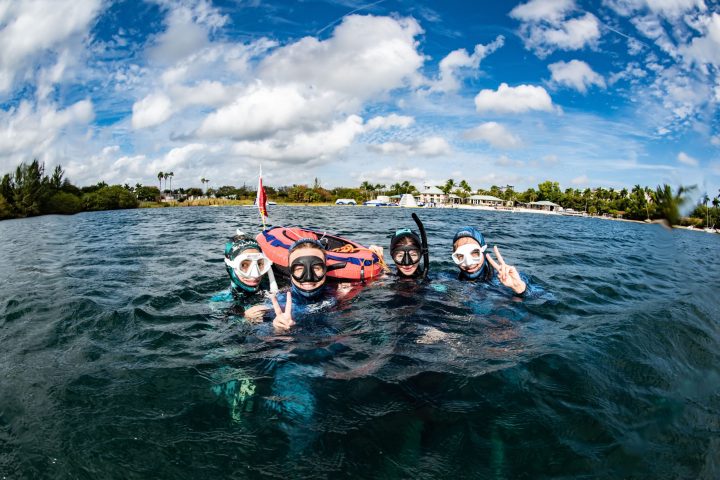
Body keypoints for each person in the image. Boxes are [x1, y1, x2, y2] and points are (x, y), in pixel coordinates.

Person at [270, 237, 350, 331]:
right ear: (290, 272)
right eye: (299, 268)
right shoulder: (279, 303)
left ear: (325, 270)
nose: (308, 277)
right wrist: (277, 330)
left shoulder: (336, 293)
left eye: (316, 268)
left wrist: (342, 298)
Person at [451, 226, 527, 295]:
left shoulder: (511, 278)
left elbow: (537, 297)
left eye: (475, 253)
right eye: (460, 256)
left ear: (483, 251)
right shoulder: (447, 278)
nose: (469, 263)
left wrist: (520, 289)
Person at [222, 231, 277, 321]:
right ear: (230, 267)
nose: (255, 274)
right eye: (244, 265)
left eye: (259, 264)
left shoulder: (275, 290)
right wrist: (243, 318)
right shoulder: (221, 300)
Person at [369, 213, 429, 279]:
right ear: (392, 255)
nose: (407, 263)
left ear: (421, 254)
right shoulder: (387, 274)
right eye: (400, 256)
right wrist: (376, 261)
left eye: (413, 255)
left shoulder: (435, 279)